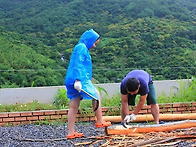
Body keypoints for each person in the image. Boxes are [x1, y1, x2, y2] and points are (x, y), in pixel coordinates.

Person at [65, 29, 111, 139]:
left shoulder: (80, 47)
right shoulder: (82, 48)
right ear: (90, 40)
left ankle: (71, 133)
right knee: (96, 94)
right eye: (95, 43)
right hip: (79, 79)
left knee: (74, 106)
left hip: (72, 79)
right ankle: (99, 121)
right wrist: (77, 80)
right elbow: (78, 64)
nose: (94, 46)